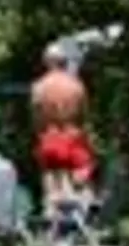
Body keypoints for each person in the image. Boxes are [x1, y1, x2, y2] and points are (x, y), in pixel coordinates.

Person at [31, 42, 94, 210]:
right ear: (65, 62)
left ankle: (53, 214)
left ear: (47, 62)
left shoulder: (39, 87)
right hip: (73, 135)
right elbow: (84, 115)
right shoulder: (76, 85)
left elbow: (36, 118)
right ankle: (82, 212)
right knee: (82, 175)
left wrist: (40, 135)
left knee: (51, 180)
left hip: (49, 136)